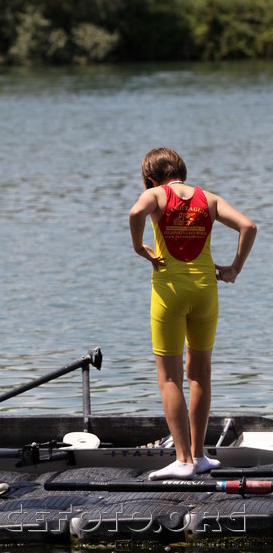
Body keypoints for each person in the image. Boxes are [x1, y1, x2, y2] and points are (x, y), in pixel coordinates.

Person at [129, 148, 256, 480]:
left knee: (169, 377)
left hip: (169, 293)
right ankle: (199, 456)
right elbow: (248, 226)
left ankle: (183, 459)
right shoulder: (209, 199)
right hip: (205, 293)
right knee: (199, 374)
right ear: (182, 170)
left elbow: (134, 213)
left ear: (150, 177)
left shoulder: (156, 195)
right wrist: (234, 269)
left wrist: (139, 247)